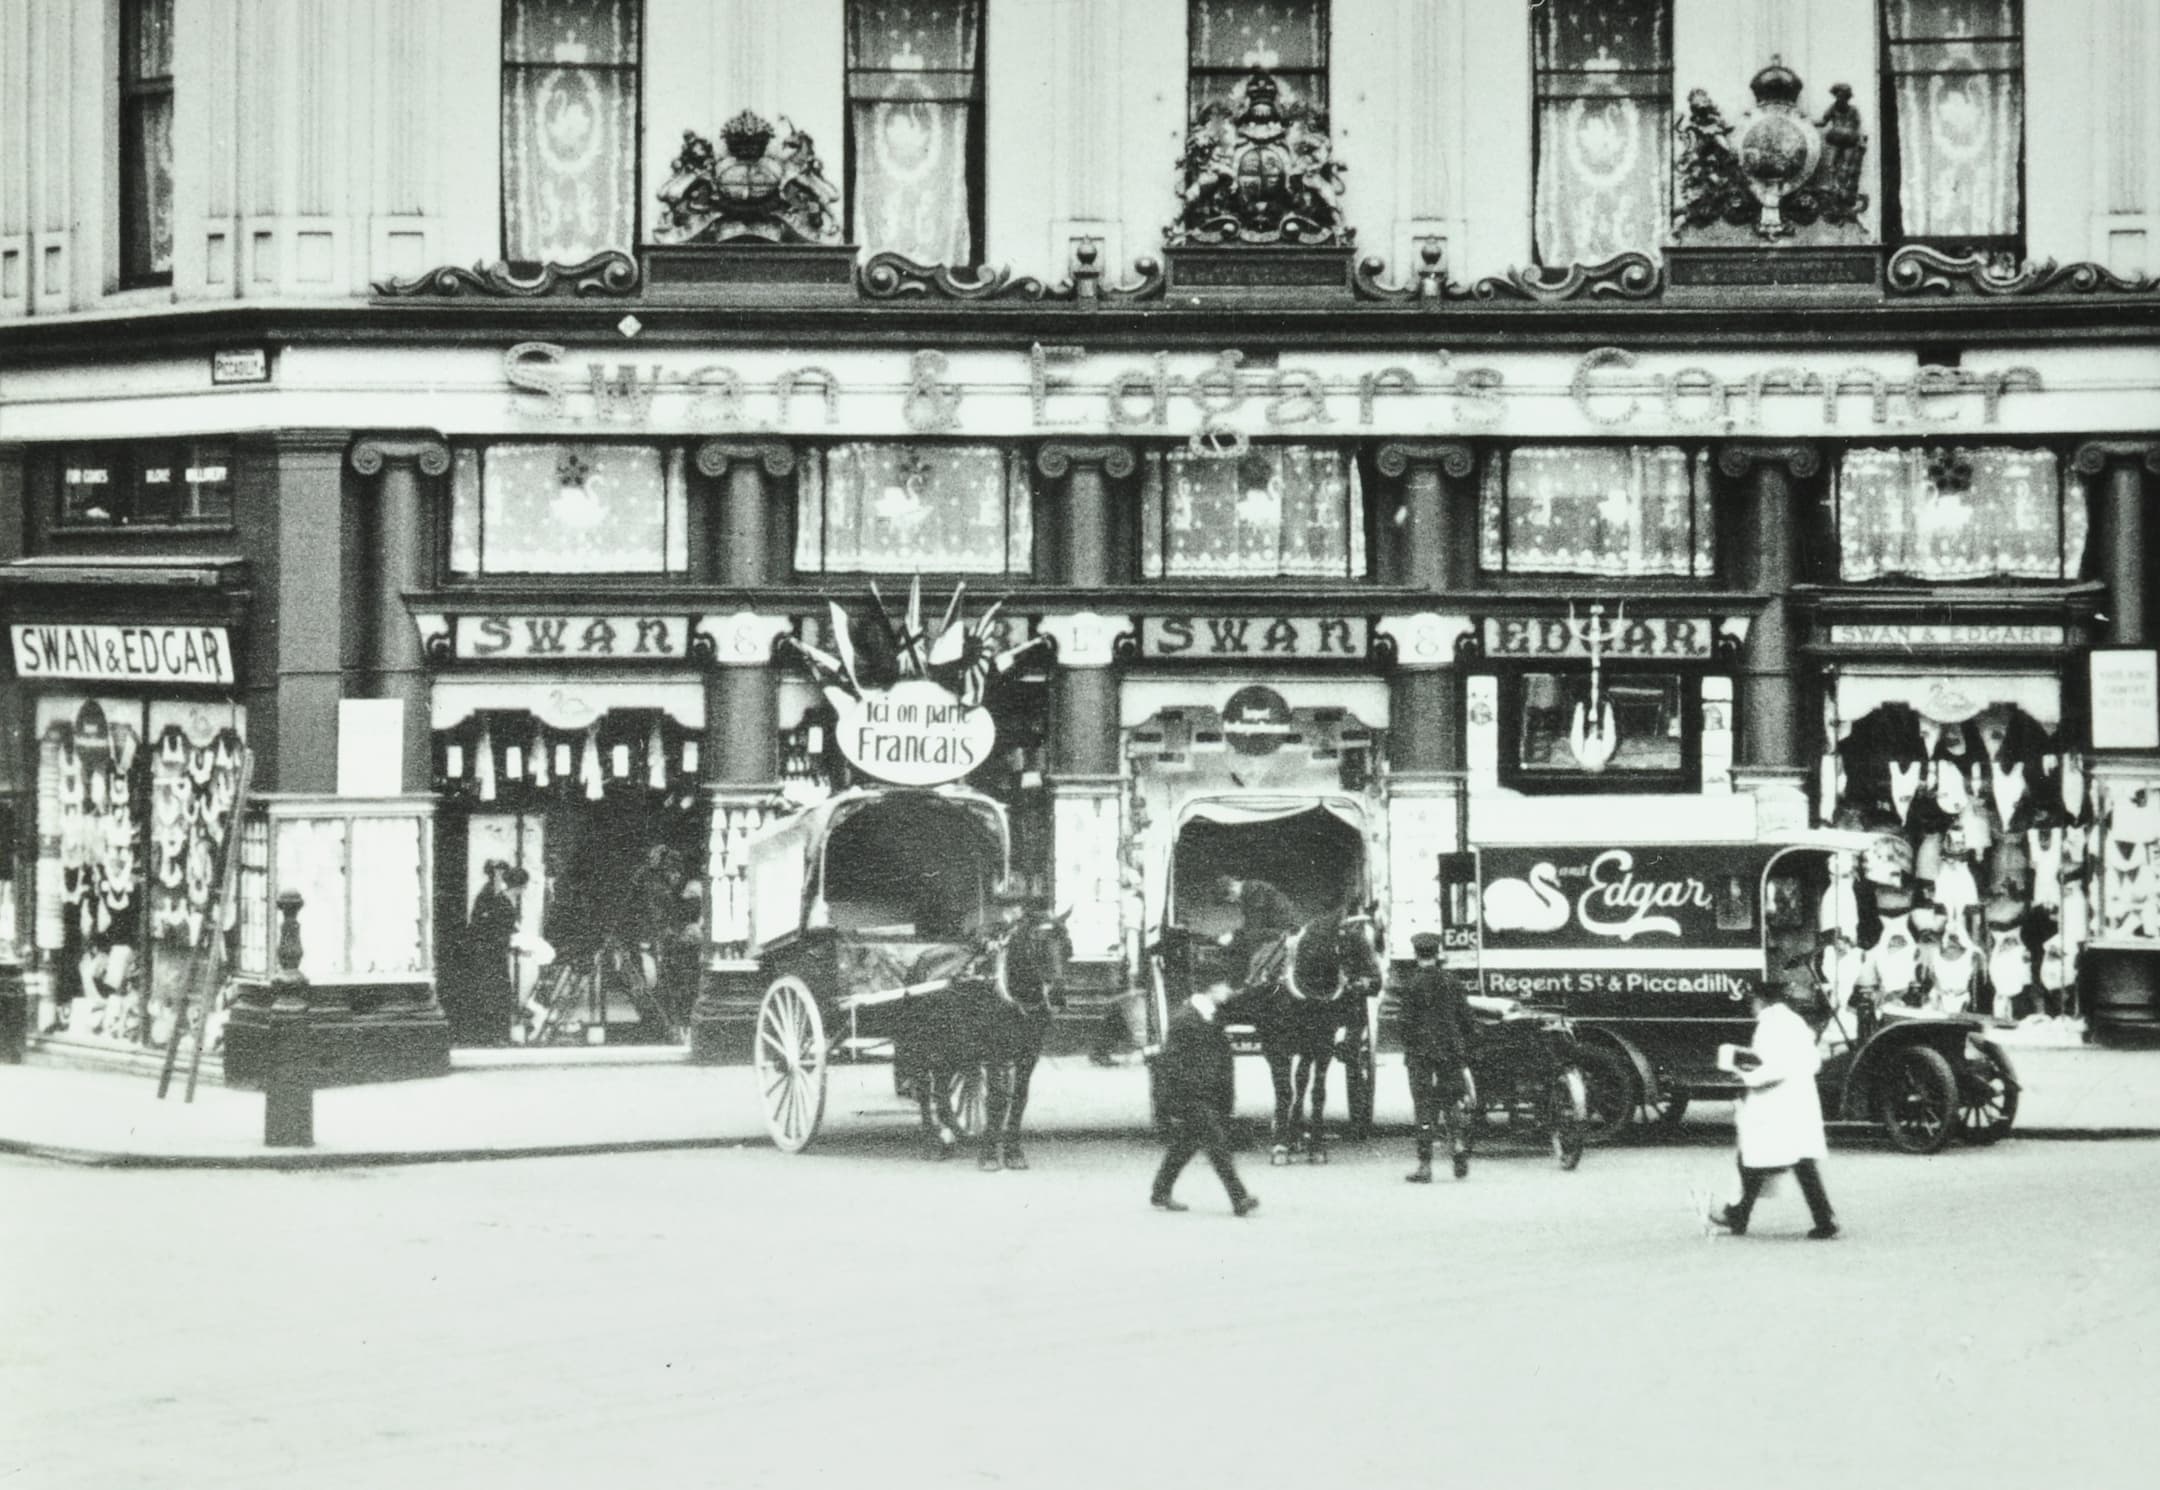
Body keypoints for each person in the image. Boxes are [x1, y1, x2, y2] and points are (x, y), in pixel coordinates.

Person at [1710, 982, 1840, 1240]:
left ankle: (1737, 1214)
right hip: (1800, 1100)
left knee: (1752, 1156)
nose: (1751, 1008)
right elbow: (1812, 1060)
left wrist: (1747, 1078)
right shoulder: (1796, 1022)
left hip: (1776, 1104)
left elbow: (1773, 1067)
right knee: (1799, 1162)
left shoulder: (1769, 1025)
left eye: (1752, 1002)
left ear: (1760, 1000)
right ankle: (1824, 1218)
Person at [1149, 987, 1260, 1217]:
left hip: (1203, 1093)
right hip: (1190, 1094)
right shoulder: (1186, 1018)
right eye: (1224, 986)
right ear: (1211, 988)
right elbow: (1173, 1062)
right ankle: (1239, 1197)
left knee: (1185, 1144)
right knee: (1217, 1144)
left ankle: (1160, 1190)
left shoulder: (1209, 1015)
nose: (1229, 991)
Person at [1398, 932, 1473, 1182]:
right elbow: (1466, 1019)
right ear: (1438, 954)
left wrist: (1409, 1044)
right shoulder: (1452, 981)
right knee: (1451, 1100)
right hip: (1449, 1051)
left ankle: (1425, 1166)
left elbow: (1404, 1023)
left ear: (1416, 954)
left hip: (1420, 1053)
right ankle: (1459, 1147)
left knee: (1423, 1106)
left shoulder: (1411, 984)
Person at [1213, 873, 1301, 989]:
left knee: (1245, 952)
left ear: (1231, 889)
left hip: (1283, 933)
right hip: (1278, 929)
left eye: (1229, 899)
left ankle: (1240, 986)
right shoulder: (1251, 889)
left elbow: (1255, 929)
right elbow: (1254, 926)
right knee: (1242, 943)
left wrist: (1233, 936)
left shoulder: (1254, 893)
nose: (1232, 901)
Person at [466, 860, 520, 1045]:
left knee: (495, 991)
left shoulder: (494, 894)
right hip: (488, 952)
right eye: (500, 873)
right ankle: (493, 1035)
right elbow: (482, 924)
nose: (502, 877)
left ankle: (496, 1035)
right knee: (493, 992)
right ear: (494, 873)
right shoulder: (489, 895)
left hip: (492, 951)